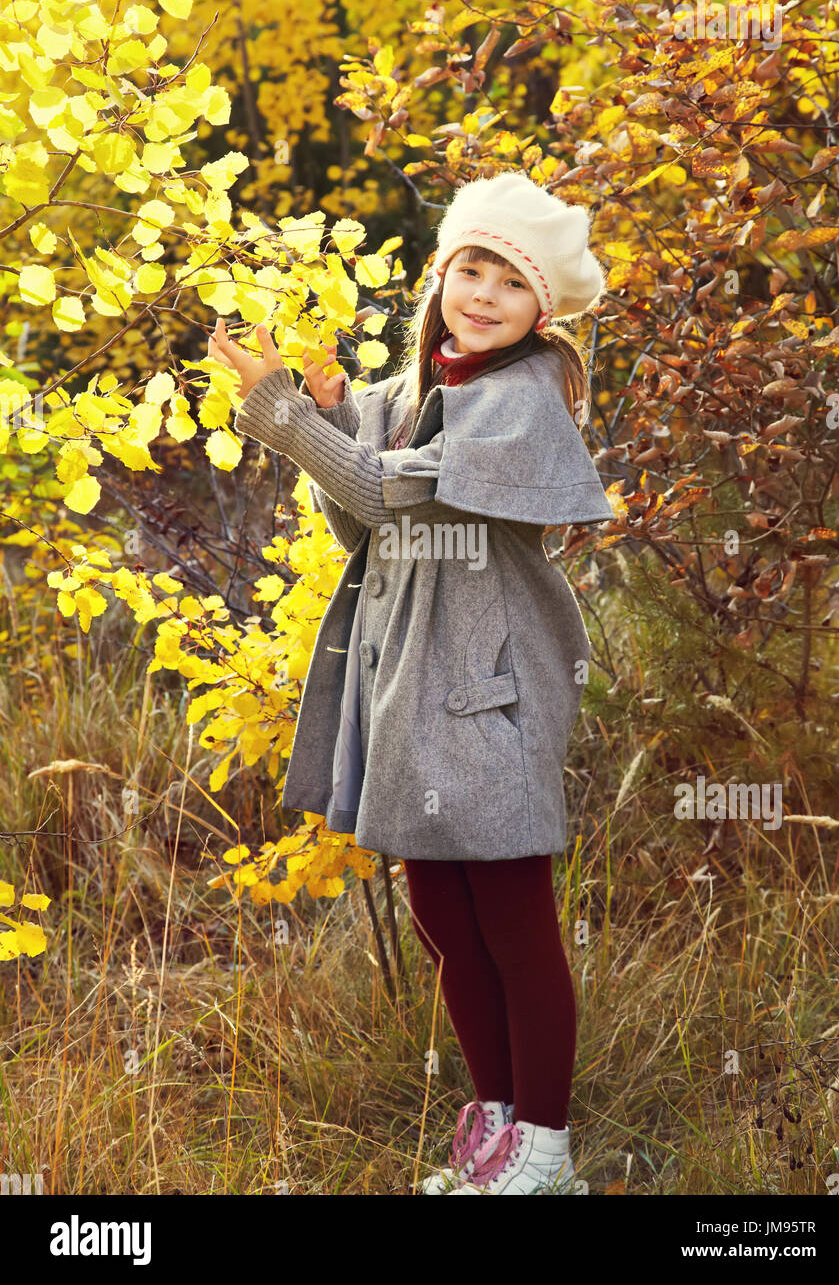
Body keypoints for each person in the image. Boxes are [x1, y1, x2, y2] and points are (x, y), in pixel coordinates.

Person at [208, 169, 614, 1195]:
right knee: (441, 911)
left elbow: (390, 498)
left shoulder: (520, 402)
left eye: (508, 285)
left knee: (514, 921)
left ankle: (548, 1150)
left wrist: (287, 417)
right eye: (469, 269)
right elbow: (357, 519)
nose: (481, 295)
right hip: (415, 689)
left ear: (539, 312)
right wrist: (337, 415)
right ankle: (497, 1130)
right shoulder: (419, 389)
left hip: (492, 692)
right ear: (442, 274)